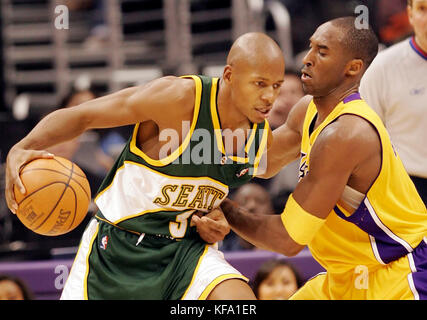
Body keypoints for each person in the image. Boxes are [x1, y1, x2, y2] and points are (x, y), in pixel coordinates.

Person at [5, 32, 285, 300]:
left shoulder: (258, 138)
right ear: (229, 76)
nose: (270, 97)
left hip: (184, 254)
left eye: (276, 86)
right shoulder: (178, 99)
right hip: (115, 251)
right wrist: (25, 146)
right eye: (260, 84)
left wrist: (217, 219)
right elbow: (83, 116)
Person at [218, 16, 427, 299]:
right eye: (310, 47)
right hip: (346, 275)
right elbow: (261, 160)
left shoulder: (348, 132)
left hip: (400, 274)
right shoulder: (308, 110)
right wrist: (194, 152)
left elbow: (287, 239)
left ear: (352, 68)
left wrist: (223, 209)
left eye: (322, 52)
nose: (307, 59)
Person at [360, 0, 427, 206]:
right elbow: (364, 142)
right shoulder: (382, 67)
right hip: (408, 190)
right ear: (410, 14)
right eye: (423, 9)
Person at [220, 183, 274, 251]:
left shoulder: (286, 249)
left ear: (271, 210)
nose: (252, 206)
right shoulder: (222, 255)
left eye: (260, 201)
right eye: (243, 202)